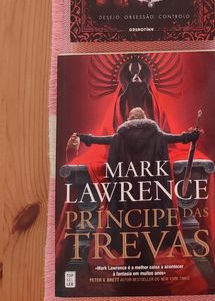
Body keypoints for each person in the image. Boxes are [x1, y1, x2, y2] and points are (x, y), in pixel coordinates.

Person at [66, 107, 200, 262]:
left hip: (126, 194)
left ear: (129, 119)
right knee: (151, 225)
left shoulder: (120, 136)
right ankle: (148, 259)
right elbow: (177, 138)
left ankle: (130, 258)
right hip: (151, 193)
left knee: (128, 227)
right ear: (145, 117)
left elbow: (101, 140)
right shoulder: (156, 134)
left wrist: (83, 137)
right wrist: (191, 136)